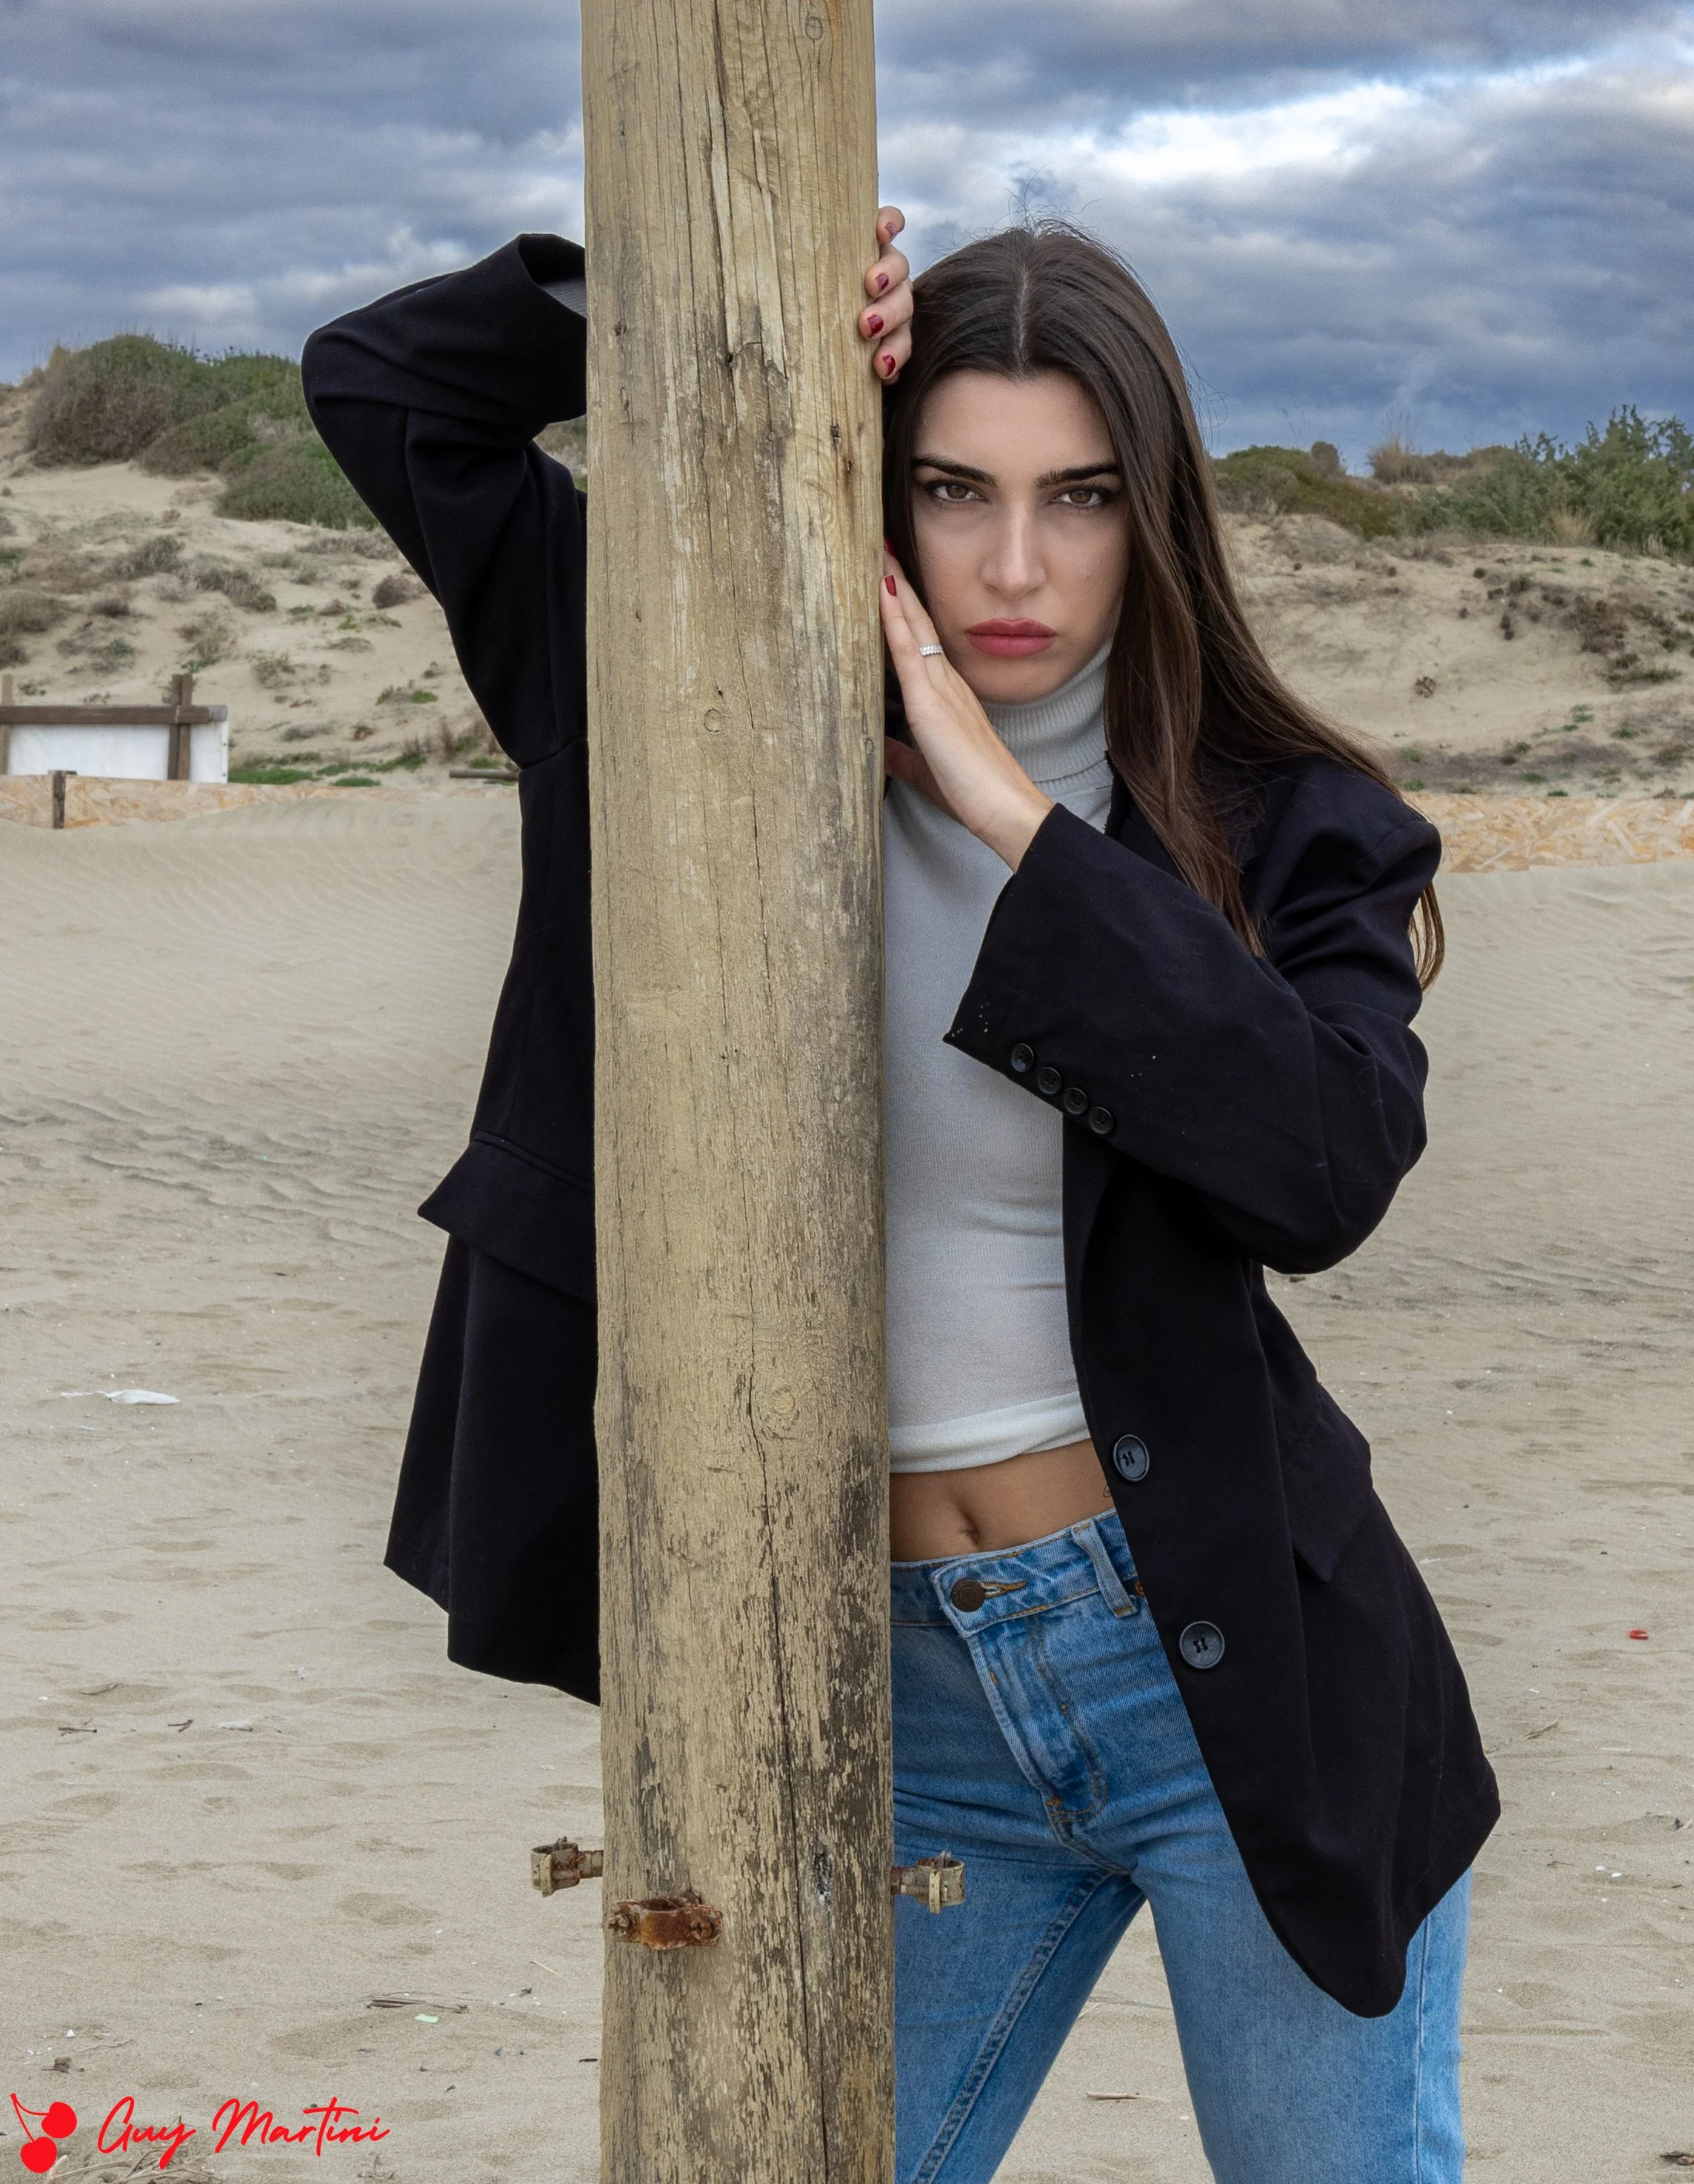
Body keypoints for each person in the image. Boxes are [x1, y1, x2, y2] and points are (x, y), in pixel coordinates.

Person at [304, 210, 1497, 2184]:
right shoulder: (675, 707)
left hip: (1230, 1672)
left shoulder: (1282, 824)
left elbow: (1323, 1164)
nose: (1012, 565)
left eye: (1077, 497)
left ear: (1153, 511)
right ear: (878, 480)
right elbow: (385, 390)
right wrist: (708, 290)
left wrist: (1014, 817)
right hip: (883, 1690)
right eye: (951, 490)